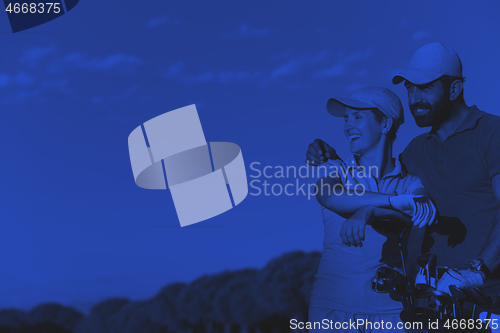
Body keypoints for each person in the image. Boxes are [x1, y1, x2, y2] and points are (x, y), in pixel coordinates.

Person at [306, 42, 500, 296]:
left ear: (454, 89)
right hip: (431, 299)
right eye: (410, 89)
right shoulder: (414, 151)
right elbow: (379, 179)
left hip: (487, 295)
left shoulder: (492, 132)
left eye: (425, 88)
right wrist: (330, 155)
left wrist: (478, 271)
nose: (415, 99)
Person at [308, 86, 437, 332]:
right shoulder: (334, 169)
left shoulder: (411, 183)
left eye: (357, 116)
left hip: (394, 313)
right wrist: (392, 200)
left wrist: (369, 211)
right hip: (331, 310)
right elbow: (331, 197)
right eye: (346, 119)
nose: (347, 126)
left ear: (385, 124)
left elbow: (417, 209)